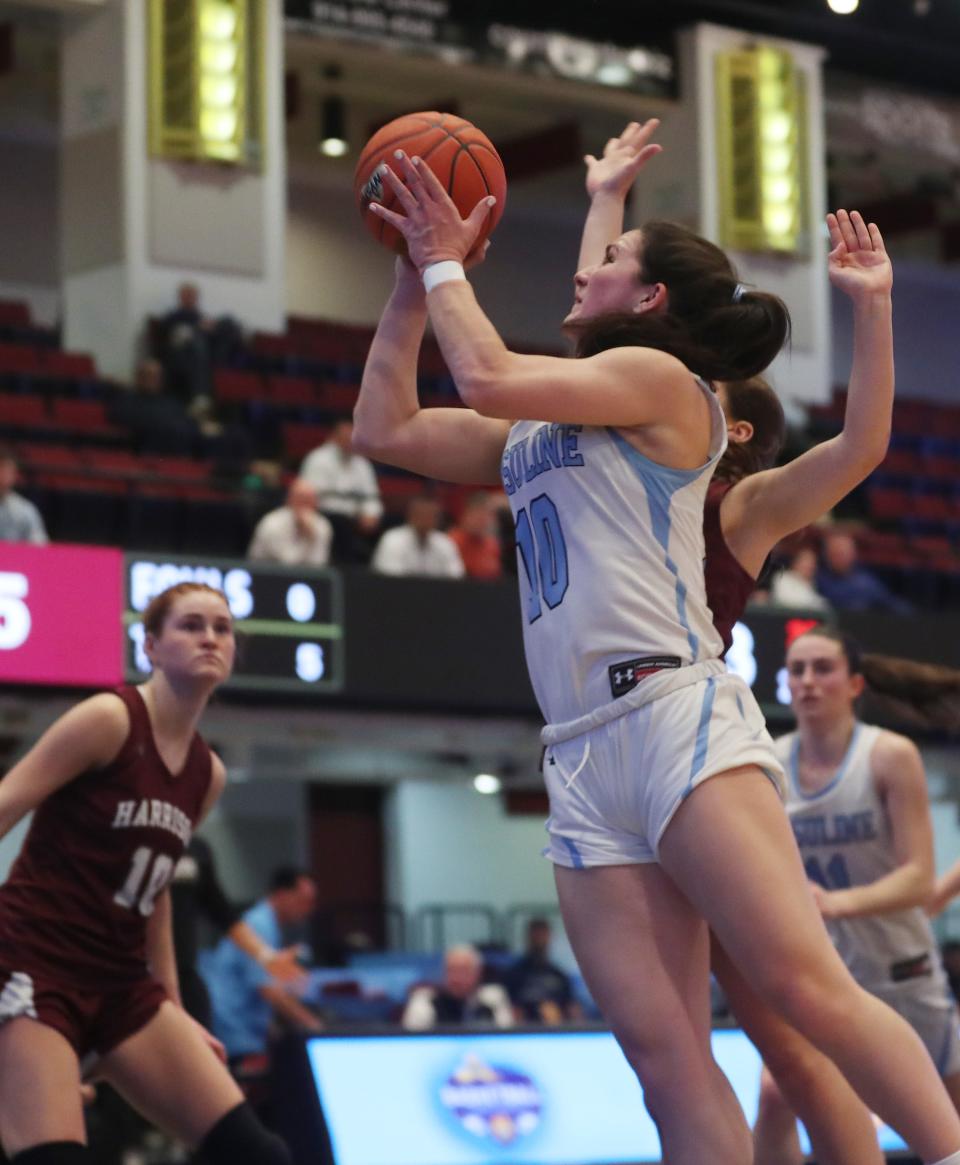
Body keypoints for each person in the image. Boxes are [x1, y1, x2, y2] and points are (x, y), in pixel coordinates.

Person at [351, 122, 960, 1163]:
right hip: (580, 751)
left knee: (804, 992)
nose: (584, 273)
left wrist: (447, 255)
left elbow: (492, 372)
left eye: (613, 263)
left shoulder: (668, 393)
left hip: (678, 716)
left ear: (650, 304)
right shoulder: (544, 434)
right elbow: (388, 431)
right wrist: (414, 276)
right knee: (663, 1054)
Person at [0, 581, 291, 1165]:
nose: (210, 637)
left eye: (222, 628)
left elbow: (154, 890)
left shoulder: (206, 774)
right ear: (151, 646)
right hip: (35, 968)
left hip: (121, 983)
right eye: (190, 625)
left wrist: (173, 1007)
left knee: (260, 1155)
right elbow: (7, 802)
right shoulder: (110, 719)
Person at [753, 626, 960, 1165]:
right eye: (797, 670)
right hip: (818, 969)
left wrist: (832, 904)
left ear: (855, 683)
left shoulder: (890, 754)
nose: (807, 681)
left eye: (822, 668)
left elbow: (917, 881)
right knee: (777, 1095)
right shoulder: (769, 762)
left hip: (900, 971)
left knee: (943, 1120)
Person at [171, 835, 303, 1028]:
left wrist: (267, 957)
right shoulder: (261, 921)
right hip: (139, 977)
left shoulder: (197, 850)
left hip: (183, 977)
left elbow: (221, 912)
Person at [202, 868, 323, 1063]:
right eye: (303, 901)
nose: (308, 909)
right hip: (235, 1032)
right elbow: (268, 990)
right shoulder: (260, 924)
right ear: (282, 895)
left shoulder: (267, 923)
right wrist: (314, 1026)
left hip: (243, 1030)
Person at [299, 418, 383, 562]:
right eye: (345, 437)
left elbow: (372, 497)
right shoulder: (318, 459)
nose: (348, 441)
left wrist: (371, 514)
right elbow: (309, 495)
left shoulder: (362, 464)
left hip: (354, 519)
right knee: (341, 523)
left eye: (352, 437)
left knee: (384, 524)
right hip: (324, 514)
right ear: (334, 437)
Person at [401, 945, 513, 1030]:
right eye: (452, 971)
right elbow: (414, 1040)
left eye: (464, 971)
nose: (457, 978)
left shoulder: (493, 1000)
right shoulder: (425, 1000)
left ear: (478, 973)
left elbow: (506, 1037)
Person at [503, 918, 581, 1025]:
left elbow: (572, 1008)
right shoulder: (514, 974)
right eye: (536, 935)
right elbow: (507, 1007)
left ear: (549, 938)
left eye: (542, 935)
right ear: (528, 938)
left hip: (556, 1028)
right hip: (522, 1028)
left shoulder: (559, 975)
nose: (539, 940)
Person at [817, 529, 911, 613]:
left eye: (843, 553)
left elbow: (890, 602)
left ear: (853, 554)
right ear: (826, 555)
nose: (840, 558)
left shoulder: (866, 582)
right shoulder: (817, 582)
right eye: (836, 553)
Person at [371, 494, 464, 578]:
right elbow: (389, 577)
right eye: (421, 514)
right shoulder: (393, 539)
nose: (426, 520)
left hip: (436, 594)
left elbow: (456, 576)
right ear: (411, 516)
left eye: (431, 515)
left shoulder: (445, 542)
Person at [247, 479, 333, 567]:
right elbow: (287, 564)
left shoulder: (322, 525)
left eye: (308, 500)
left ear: (316, 502)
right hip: (265, 572)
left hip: (305, 577)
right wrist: (307, 534)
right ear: (289, 499)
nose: (304, 504)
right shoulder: (272, 522)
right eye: (300, 499)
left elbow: (319, 563)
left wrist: (311, 533)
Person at [447, 491, 503, 580]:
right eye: (479, 513)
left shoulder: (493, 545)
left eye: (488, 515)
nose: (483, 520)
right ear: (466, 513)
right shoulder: (450, 542)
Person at [0, 445, 47, 544]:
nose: (3, 475)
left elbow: (39, 545)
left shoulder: (26, 510)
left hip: (15, 558)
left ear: (14, 475)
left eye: (7, 471)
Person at [771, 545, 832, 611]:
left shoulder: (811, 583)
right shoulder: (783, 577)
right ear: (796, 562)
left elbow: (821, 605)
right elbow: (786, 601)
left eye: (812, 563)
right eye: (806, 562)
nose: (810, 566)